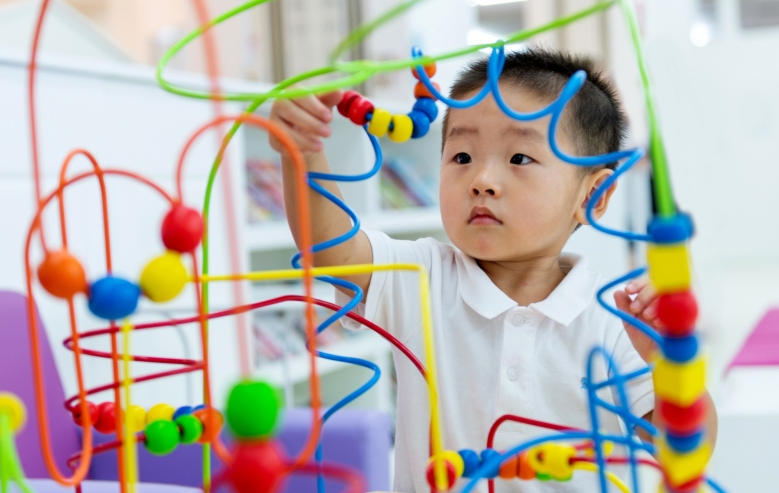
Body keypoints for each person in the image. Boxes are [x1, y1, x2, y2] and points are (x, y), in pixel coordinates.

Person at [268, 48, 718, 492]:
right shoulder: (422, 274)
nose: (481, 179)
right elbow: (332, 249)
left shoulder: (615, 321)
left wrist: (668, 361)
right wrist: (301, 152)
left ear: (593, 197)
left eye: (519, 159)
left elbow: (687, 445)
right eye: (462, 157)